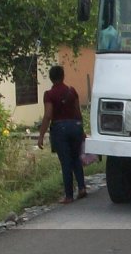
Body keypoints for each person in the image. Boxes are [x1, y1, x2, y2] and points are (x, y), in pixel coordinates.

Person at [37, 65, 86, 204]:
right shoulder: (72, 91)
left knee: (65, 162)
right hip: (75, 127)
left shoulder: (49, 94)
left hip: (60, 129)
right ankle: (82, 188)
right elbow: (78, 111)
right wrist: (81, 130)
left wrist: (41, 135)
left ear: (51, 78)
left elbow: (48, 115)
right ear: (63, 76)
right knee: (76, 158)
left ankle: (69, 196)